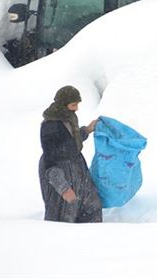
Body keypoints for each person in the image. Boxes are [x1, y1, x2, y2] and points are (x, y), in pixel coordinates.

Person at [38, 85, 103, 223]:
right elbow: (51, 161)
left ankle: (95, 241)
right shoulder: (50, 126)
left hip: (77, 169)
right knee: (64, 217)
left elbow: (70, 142)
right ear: (63, 104)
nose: (77, 108)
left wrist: (87, 130)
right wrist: (63, 188)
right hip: (61, 174)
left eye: (77, 104)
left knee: (92, 205)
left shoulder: (68, 118)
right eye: (74, 105)